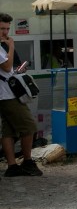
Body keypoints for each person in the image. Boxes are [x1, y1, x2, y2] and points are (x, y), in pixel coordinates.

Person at [0, 13, 43, 177]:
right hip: (6, 95)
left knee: (9, 130)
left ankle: (12, 166)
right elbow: (6, 66)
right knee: (29, 127)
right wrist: (11, 46)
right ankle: (27, 161)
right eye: (2, 29)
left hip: (8, 92)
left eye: (7, 28)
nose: (5, 32)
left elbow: (11, 66)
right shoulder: (4, 45)